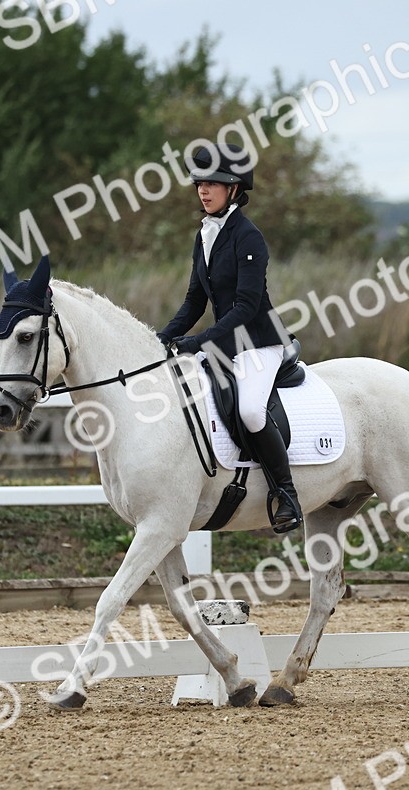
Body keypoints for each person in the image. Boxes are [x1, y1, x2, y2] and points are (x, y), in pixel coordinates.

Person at [157, 144, 303, 534]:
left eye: (214, 184)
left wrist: (200, 342)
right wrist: (164, 336)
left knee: (252, 411)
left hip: (259, 342)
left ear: (235, 189)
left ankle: (285, 493)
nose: (204, 191)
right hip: (227, 343)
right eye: (200, 183)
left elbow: (246, 306)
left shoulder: (248, 237)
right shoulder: (204, 235)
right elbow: (194, 301)